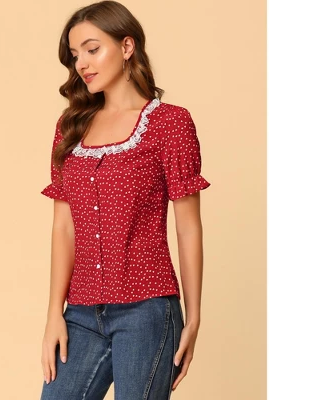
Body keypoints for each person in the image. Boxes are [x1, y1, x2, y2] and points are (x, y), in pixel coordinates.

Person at [39, 1, 211, 399]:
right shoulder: (70, 127)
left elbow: (188, 227)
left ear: (127, 46)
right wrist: (53, 315)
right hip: (80, 313)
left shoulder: (170, 123)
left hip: (146, 311)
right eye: (75, 54)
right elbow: (63, 227)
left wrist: (194, 316)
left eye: (92, 49)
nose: (82, 63)